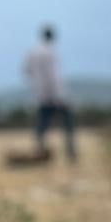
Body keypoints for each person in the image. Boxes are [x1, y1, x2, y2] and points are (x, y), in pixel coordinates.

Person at [23, 25, 76, 162]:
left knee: (42, 125)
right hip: (55, 95)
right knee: (67, 124)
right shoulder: (50, 52)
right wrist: (58, 95)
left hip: (41, 95)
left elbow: (26, 71)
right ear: (52, 37)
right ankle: (71, 153)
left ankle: (39, 150)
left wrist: (36, 85)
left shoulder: (32, 52)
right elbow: (54, 76)